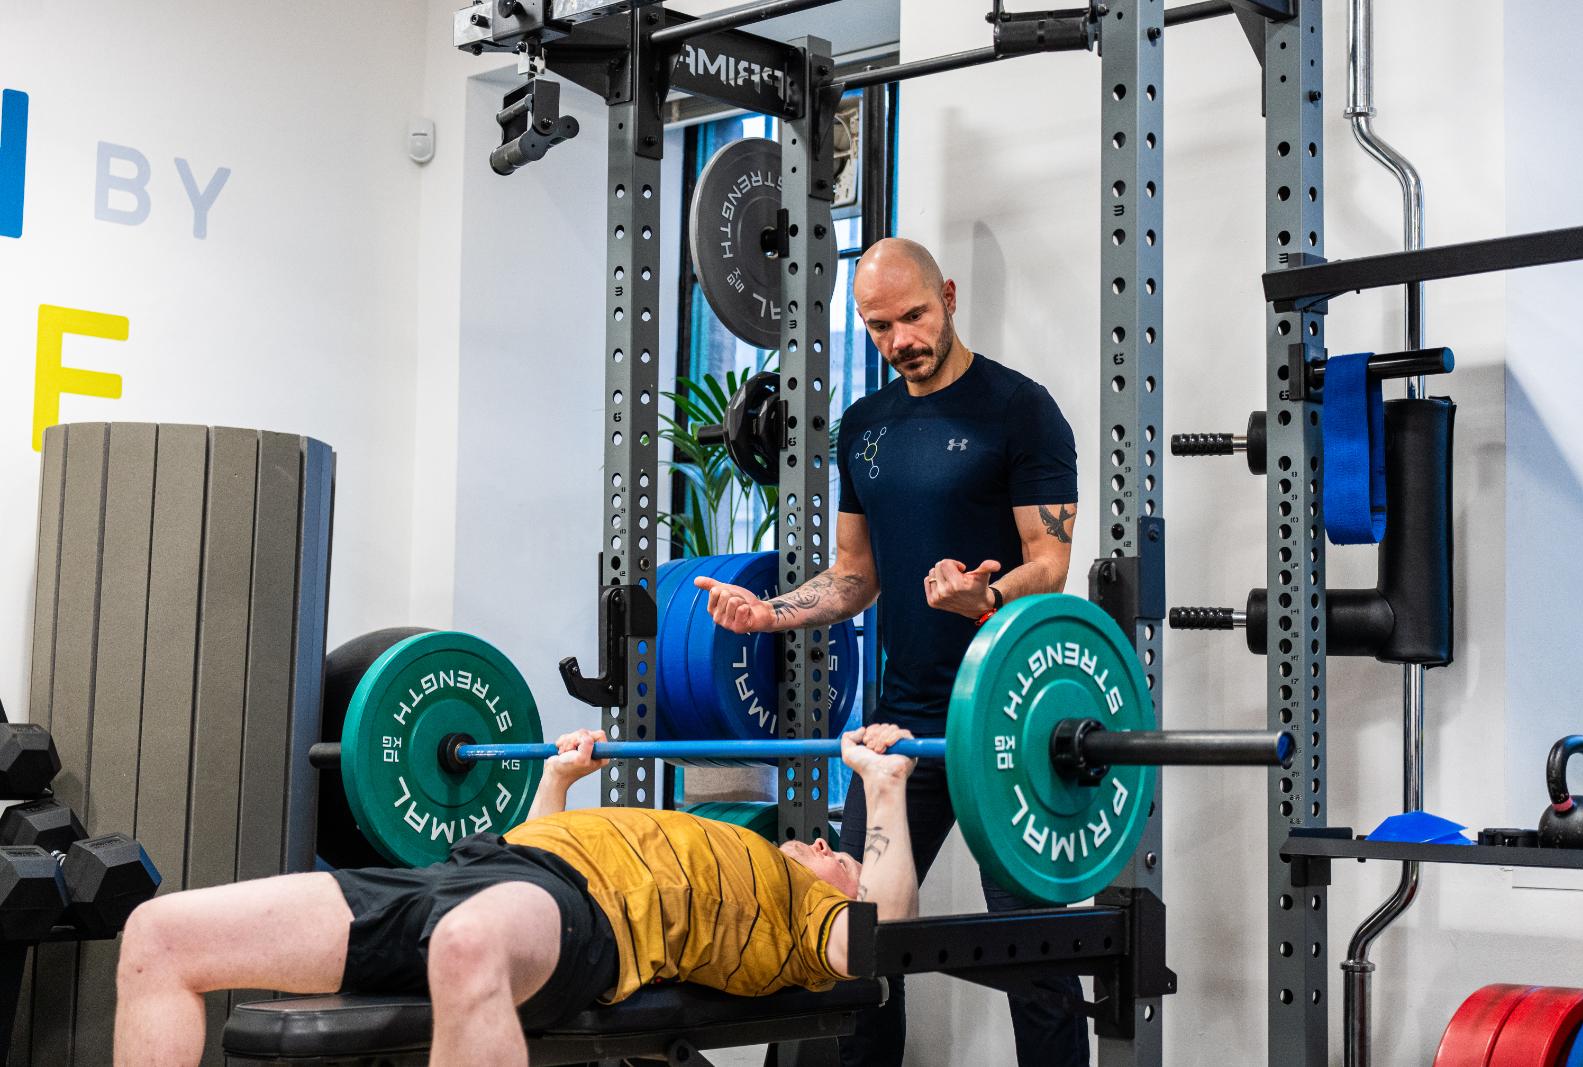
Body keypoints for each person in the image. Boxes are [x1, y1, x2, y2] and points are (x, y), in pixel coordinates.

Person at [692, 236, 1086, 1067]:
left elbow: (1049, 563)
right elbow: (854, 576)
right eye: (879, 327)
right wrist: (767, 613)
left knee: (1037, 959)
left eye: (914, 315)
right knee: (859, 941)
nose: (901, 338)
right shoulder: (865, 426)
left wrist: (987, 597)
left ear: (946, 295)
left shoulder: (1022, 409)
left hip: (1008, 723)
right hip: (900, 732)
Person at [112, 723, 920, 1067]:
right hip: (472, 870)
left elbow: (880, 943)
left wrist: (884, 790)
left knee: (471, 945)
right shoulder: (734, 838)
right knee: (158, 935)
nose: (822, 843)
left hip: (586, 915)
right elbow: (537, 849)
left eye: (838, 853)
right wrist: (556, 779)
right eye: (820, 838)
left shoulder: (802, 915)